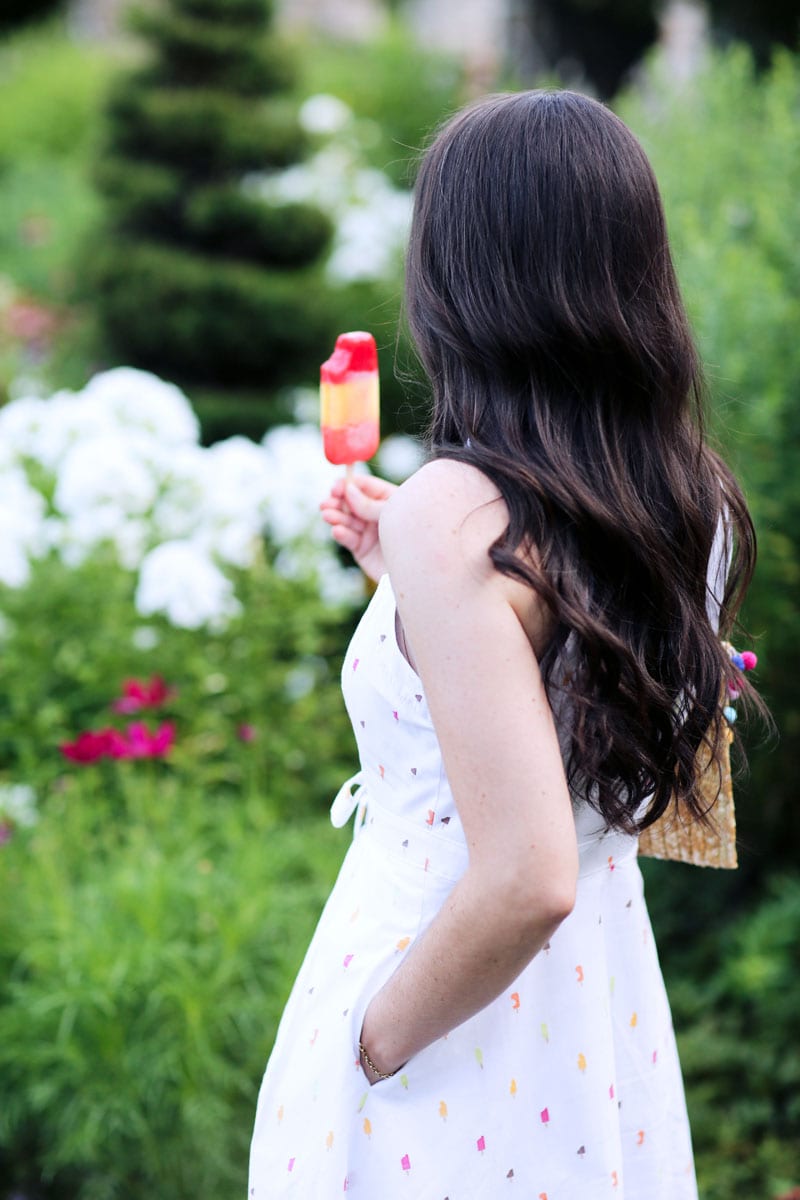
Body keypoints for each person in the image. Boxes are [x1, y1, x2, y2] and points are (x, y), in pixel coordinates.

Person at [248, 90, 758, 1199]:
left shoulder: (456, 513)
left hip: (446, 1024)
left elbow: (528, 873)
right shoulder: (688, 501)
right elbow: (614, 765)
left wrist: (369, 1041)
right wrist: (410, 585)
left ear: (462, 283)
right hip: (592, 1018)